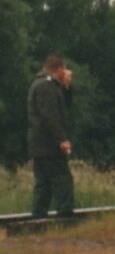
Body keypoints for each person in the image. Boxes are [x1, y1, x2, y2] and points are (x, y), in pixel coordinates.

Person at [27, 53, 76, 218]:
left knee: (44, 184)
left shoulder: (46, 85)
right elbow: (50, 116)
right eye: (64, 69)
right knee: (63, 180)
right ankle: (65, 216)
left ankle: (38, 218)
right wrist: (61, 139)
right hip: (49, 145)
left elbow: (63, 107)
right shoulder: (46, 86)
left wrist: (67, 87)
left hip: (39, 145)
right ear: (59, 68)